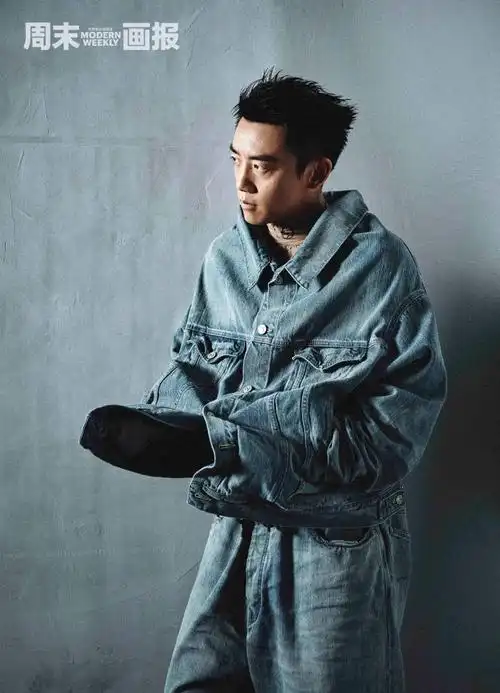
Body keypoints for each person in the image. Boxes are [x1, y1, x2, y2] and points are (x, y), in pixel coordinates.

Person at [81, 67, 448, 692]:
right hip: (238, 527)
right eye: (235, 159)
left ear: (316, 171)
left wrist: (240, 444)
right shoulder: (225, 258)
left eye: (264, 166)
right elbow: (197, 374)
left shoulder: (383, 269)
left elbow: (392, 438)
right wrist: (167, 428)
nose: (242, 182)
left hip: (333, 542)